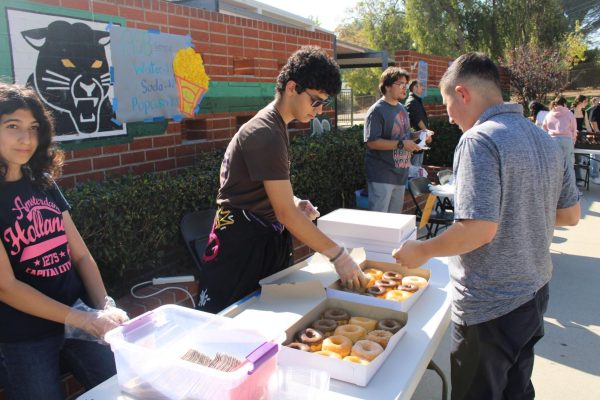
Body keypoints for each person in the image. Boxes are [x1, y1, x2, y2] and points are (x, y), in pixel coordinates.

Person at [392, 53, 580, 400]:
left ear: (462, 93)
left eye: (448, 105)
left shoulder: (479, 140)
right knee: (517, 390)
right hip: (534, 293)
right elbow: (570, 215)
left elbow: (479, 229)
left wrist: (423, 250)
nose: (449, 118)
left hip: (490, 305)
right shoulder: (545, 141)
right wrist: (520, 212)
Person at [197, 46, 368, 313]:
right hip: (241, 248)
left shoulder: (275, 126)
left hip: (256, 238)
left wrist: (294, 200)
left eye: (324, 103)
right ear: (291, 88)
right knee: (233, 329)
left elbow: (264, 192)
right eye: (315, 101)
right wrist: (338, 256)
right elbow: (285, 214)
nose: (320, 111)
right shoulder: (265, 132)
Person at [0, 83, 128, 400]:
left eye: (33, 128)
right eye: (12, 126)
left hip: (79, 311)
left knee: (121, 387)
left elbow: (81, 256)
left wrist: (103, 305)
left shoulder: (42, 183)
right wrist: (84, 319)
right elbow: (6, 286)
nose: (26, 138)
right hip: (24, 335)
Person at [364, 67, 421, 214]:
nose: (405, 88)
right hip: (382, 175)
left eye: (406, 84)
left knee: (394, 223)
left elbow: (405, 135)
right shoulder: (377, 110)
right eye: (400, 84)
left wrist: (420, 135)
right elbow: (372, 142)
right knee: (379, 223)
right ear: (387, 86)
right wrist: (402, 144)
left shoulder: (402, 109)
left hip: (400, 174)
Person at [405, 79, 434, 167]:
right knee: (415, 172)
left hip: (419, 142)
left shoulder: (416, 100)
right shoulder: (412, 101)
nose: (423, 88)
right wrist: (427, 134)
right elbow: (417, 120)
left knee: (417, 170)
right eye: (421, 85)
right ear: (415, 87)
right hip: (416, 144)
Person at [542, 96, 577, 164]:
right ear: (564, 104)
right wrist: (573, 140)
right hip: (567, 140)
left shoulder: (549, 114)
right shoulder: (569, 113)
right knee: (568, 164)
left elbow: (544, 129)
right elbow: (573, 129)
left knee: (554, 163)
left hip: (552, 140)